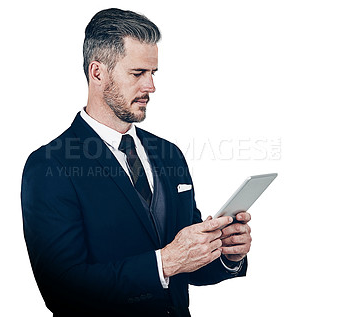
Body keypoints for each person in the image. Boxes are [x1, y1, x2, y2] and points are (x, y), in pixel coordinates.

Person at [21, 8, 252, 317]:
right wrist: (164, 262)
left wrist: (225, 253)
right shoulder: (49, 166)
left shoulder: (168, 153)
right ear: (98, 72)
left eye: (153, 73)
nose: (151, 87)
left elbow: (186, 269)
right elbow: (62, 290)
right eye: (138, 73)